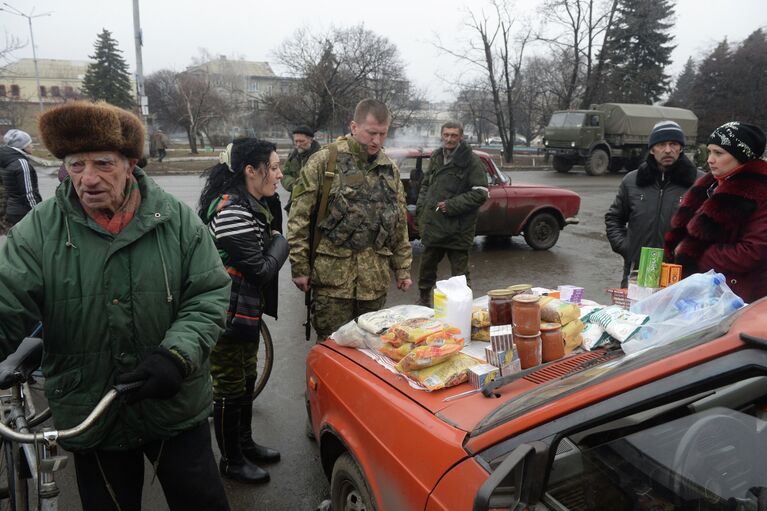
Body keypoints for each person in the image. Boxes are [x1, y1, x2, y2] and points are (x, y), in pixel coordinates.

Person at [0, 101, 232, 511]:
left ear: (130, 163)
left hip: (174, 405)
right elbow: (6, 299)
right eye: (75, 165)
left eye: (103, 163)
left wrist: (178, 354)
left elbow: (209, 293)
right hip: (93, 409)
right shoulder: (37, 232)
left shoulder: (176, 221)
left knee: (202, 501)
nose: (87, 179)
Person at [198, 138, 288, 484]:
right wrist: (282, 243)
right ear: (251, 170)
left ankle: (245, 443)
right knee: (229, 386)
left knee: (247, 376)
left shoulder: (253, 203)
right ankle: (231, 460)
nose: (279, 174)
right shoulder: (232, 210)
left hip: (244, 311)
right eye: (274, 166)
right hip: (227, 313)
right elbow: (261, 270)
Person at [287, 98, 412, 340]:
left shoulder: (390, 170)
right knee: (332, 352)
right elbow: (298, 218)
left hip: (374, 284)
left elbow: (399, 224)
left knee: (372, 353)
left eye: (383, 134)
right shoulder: (325, 161)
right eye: (371, 133)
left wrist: (403, 268)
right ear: (354, 127)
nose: (376, 140)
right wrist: (300, 267)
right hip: (333, 284)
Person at [665, 121, 767, 303]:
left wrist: (692, 254)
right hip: (699, 292)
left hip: (736, 298)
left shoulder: (760, 191)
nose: (710, 159)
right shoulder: (710, 185)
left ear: (742, 156)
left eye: (718, 153)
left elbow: (753, 251)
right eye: (710, 151)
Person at [605, 120, 701, 287]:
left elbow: (707, 228)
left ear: (681, 148)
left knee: (672, 313)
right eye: (662, 144)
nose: (668, 150)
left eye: (673, 144)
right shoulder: (632, 181)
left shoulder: (699, 182)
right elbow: (614, 218)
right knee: (633, 313)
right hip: (637, 269)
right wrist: (627, 247)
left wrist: (689, 254)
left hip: (679, 273)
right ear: (652, 149)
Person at [415, 121, 488, 305]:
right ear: (441, 135)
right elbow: (426, 185)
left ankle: (464, 308)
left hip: (458, 230)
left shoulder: (471, 161)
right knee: (426, 269)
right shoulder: (437, 156)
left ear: (461, 137)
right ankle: (424, 301)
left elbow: (481, 192)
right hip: (434, 226)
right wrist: (421, 210)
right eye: (446, 135)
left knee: (461, 277)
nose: (449, 139)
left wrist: (451, 205)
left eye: (454, 135)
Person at [0, 128, 42, 226]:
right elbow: (28, 194)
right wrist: (39, 212)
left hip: (12, 211)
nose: (32, 146)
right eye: (29, 143)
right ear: (22, 146)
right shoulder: (21, 163)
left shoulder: (7, 160)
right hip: (24, 212)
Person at [282, 125, 321, 197]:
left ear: (311, 140)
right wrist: (294, 185)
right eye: (296, 141)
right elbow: (284, 174)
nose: (298, 144)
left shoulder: (321, 156)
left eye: (302, 141)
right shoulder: (292, 156)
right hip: (296, 199)